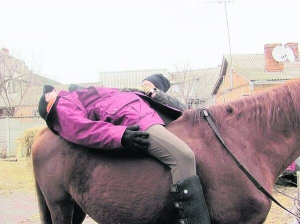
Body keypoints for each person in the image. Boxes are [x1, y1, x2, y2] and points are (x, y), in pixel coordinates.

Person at [38, 83, 210, 224]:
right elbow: (82, 129)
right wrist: (121, 135)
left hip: (142, 108)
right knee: (183, 156)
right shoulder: (59, 107)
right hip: (133, 117)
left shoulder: (75, 94)